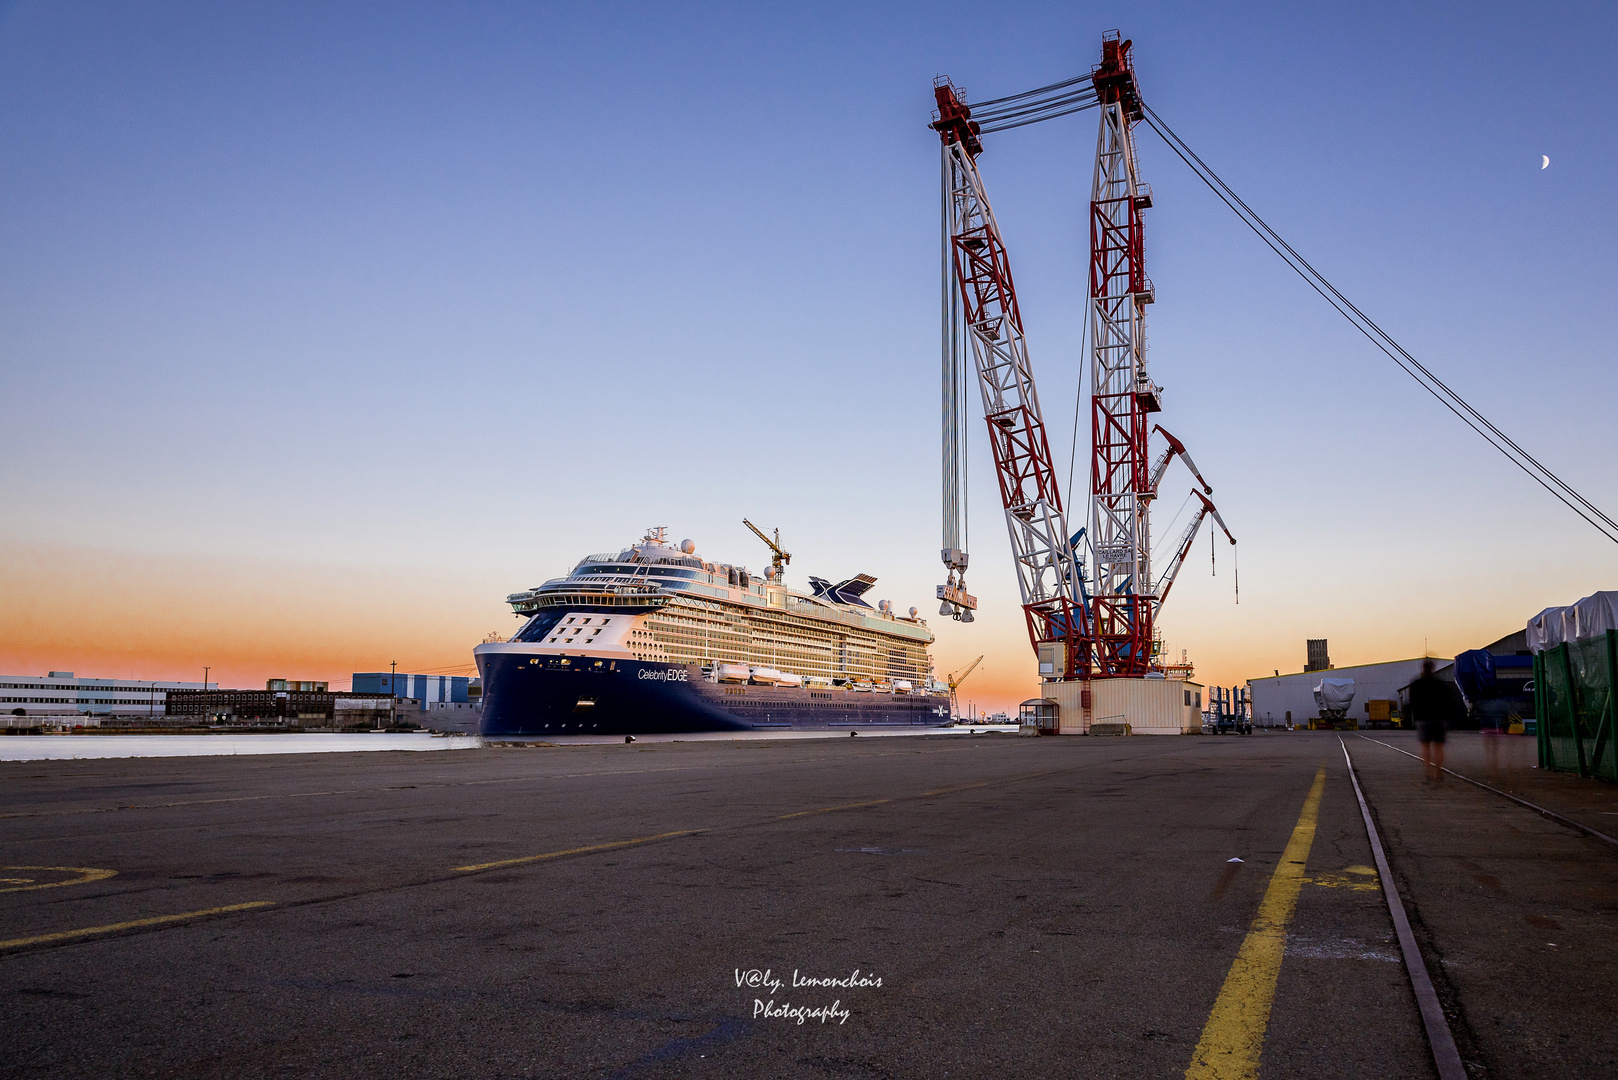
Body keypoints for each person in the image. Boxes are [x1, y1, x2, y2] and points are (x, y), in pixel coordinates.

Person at [1408, 659, 1448, 781]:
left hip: (1424, 719)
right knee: (1439, 747)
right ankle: (1438, 772)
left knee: (1425, 746)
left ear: (1422, 668)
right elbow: (1449, 701)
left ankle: (1428, 772)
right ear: (1433, 668)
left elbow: (1412, 702)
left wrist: (1416, 716)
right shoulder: (1440, 684)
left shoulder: (1416, 684)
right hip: (1439, 719)